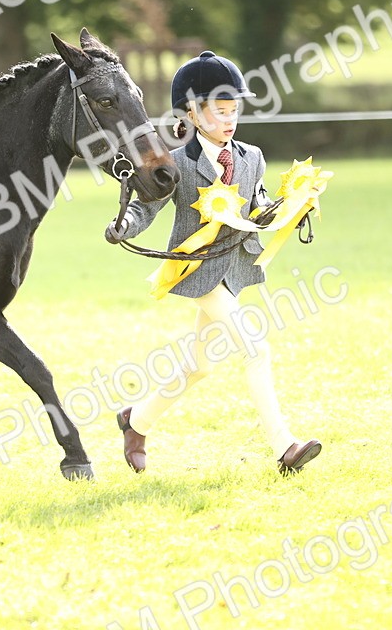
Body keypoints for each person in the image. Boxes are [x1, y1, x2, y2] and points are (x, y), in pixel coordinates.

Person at [105, 50, 321, 475]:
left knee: (199, 366)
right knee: (255, 350)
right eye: (220, 111)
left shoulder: (251, 157)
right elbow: (147, 209)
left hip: (234, 269)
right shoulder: (176, 163)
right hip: (198, 272)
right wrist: (123, 224)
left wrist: (293, 208)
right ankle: (285, 447)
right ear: (192, 112)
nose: (229, 119)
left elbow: (256, 208)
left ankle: (136, 421)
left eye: (233, 111)